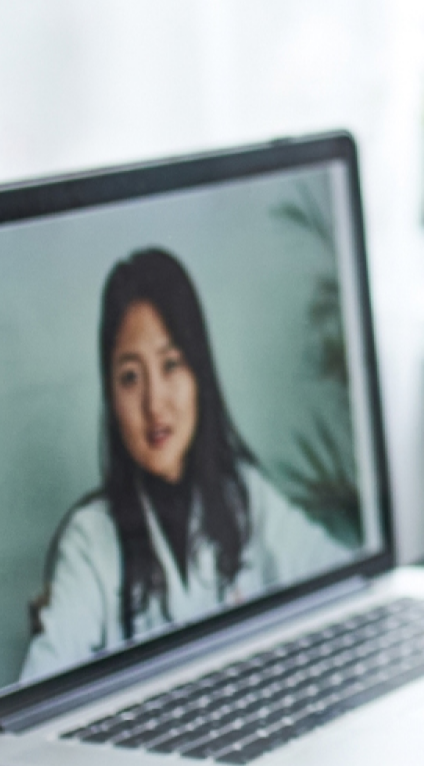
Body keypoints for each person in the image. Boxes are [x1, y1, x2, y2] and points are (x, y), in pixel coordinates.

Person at [19, 247, 353, 684]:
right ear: (110, 397)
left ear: (200, 375)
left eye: (171, 365)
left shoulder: (245, 497)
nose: (154, 404)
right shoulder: (91, 541)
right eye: (130, 377)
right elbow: (41, 685)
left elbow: (347, 580)